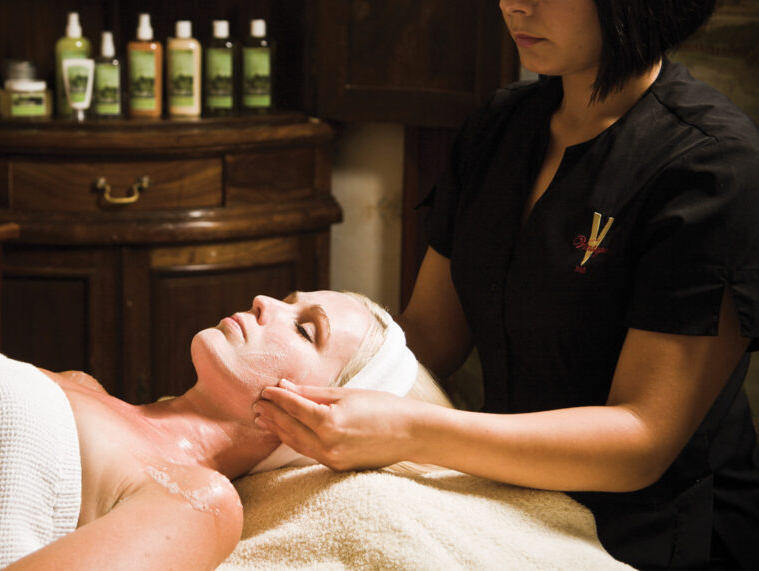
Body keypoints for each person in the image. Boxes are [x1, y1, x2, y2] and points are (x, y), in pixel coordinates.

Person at [253, 0, 759, 568]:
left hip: (656, 532)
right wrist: (293, 383)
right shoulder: (499, 126)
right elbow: (428, 339)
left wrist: (410, 431)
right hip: (513, 502)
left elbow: (641, 441)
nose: (515, 4)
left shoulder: (710, 167)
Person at [0, 290, 447, 570]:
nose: (265, 303)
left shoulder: (193, 500)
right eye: (286, 300)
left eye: (305, 329)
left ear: (322, 413)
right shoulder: (81, 384)